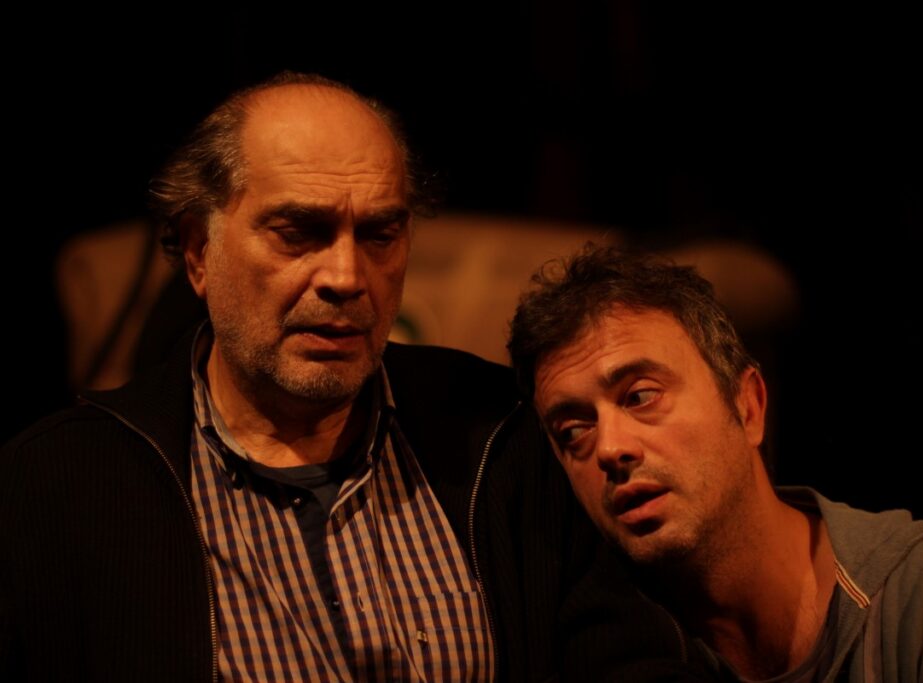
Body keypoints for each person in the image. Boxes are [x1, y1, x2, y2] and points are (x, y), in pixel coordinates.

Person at [0, 74, 694, 682]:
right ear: (197, 251)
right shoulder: (64, 482)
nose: (346, 276)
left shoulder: (501, 435)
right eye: (298, 232)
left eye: (379, 234)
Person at [507, 246, 923, 682]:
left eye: (641, 396)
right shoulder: (585, 640)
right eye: (573, 430)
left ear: (748, 406)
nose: (609, 448)